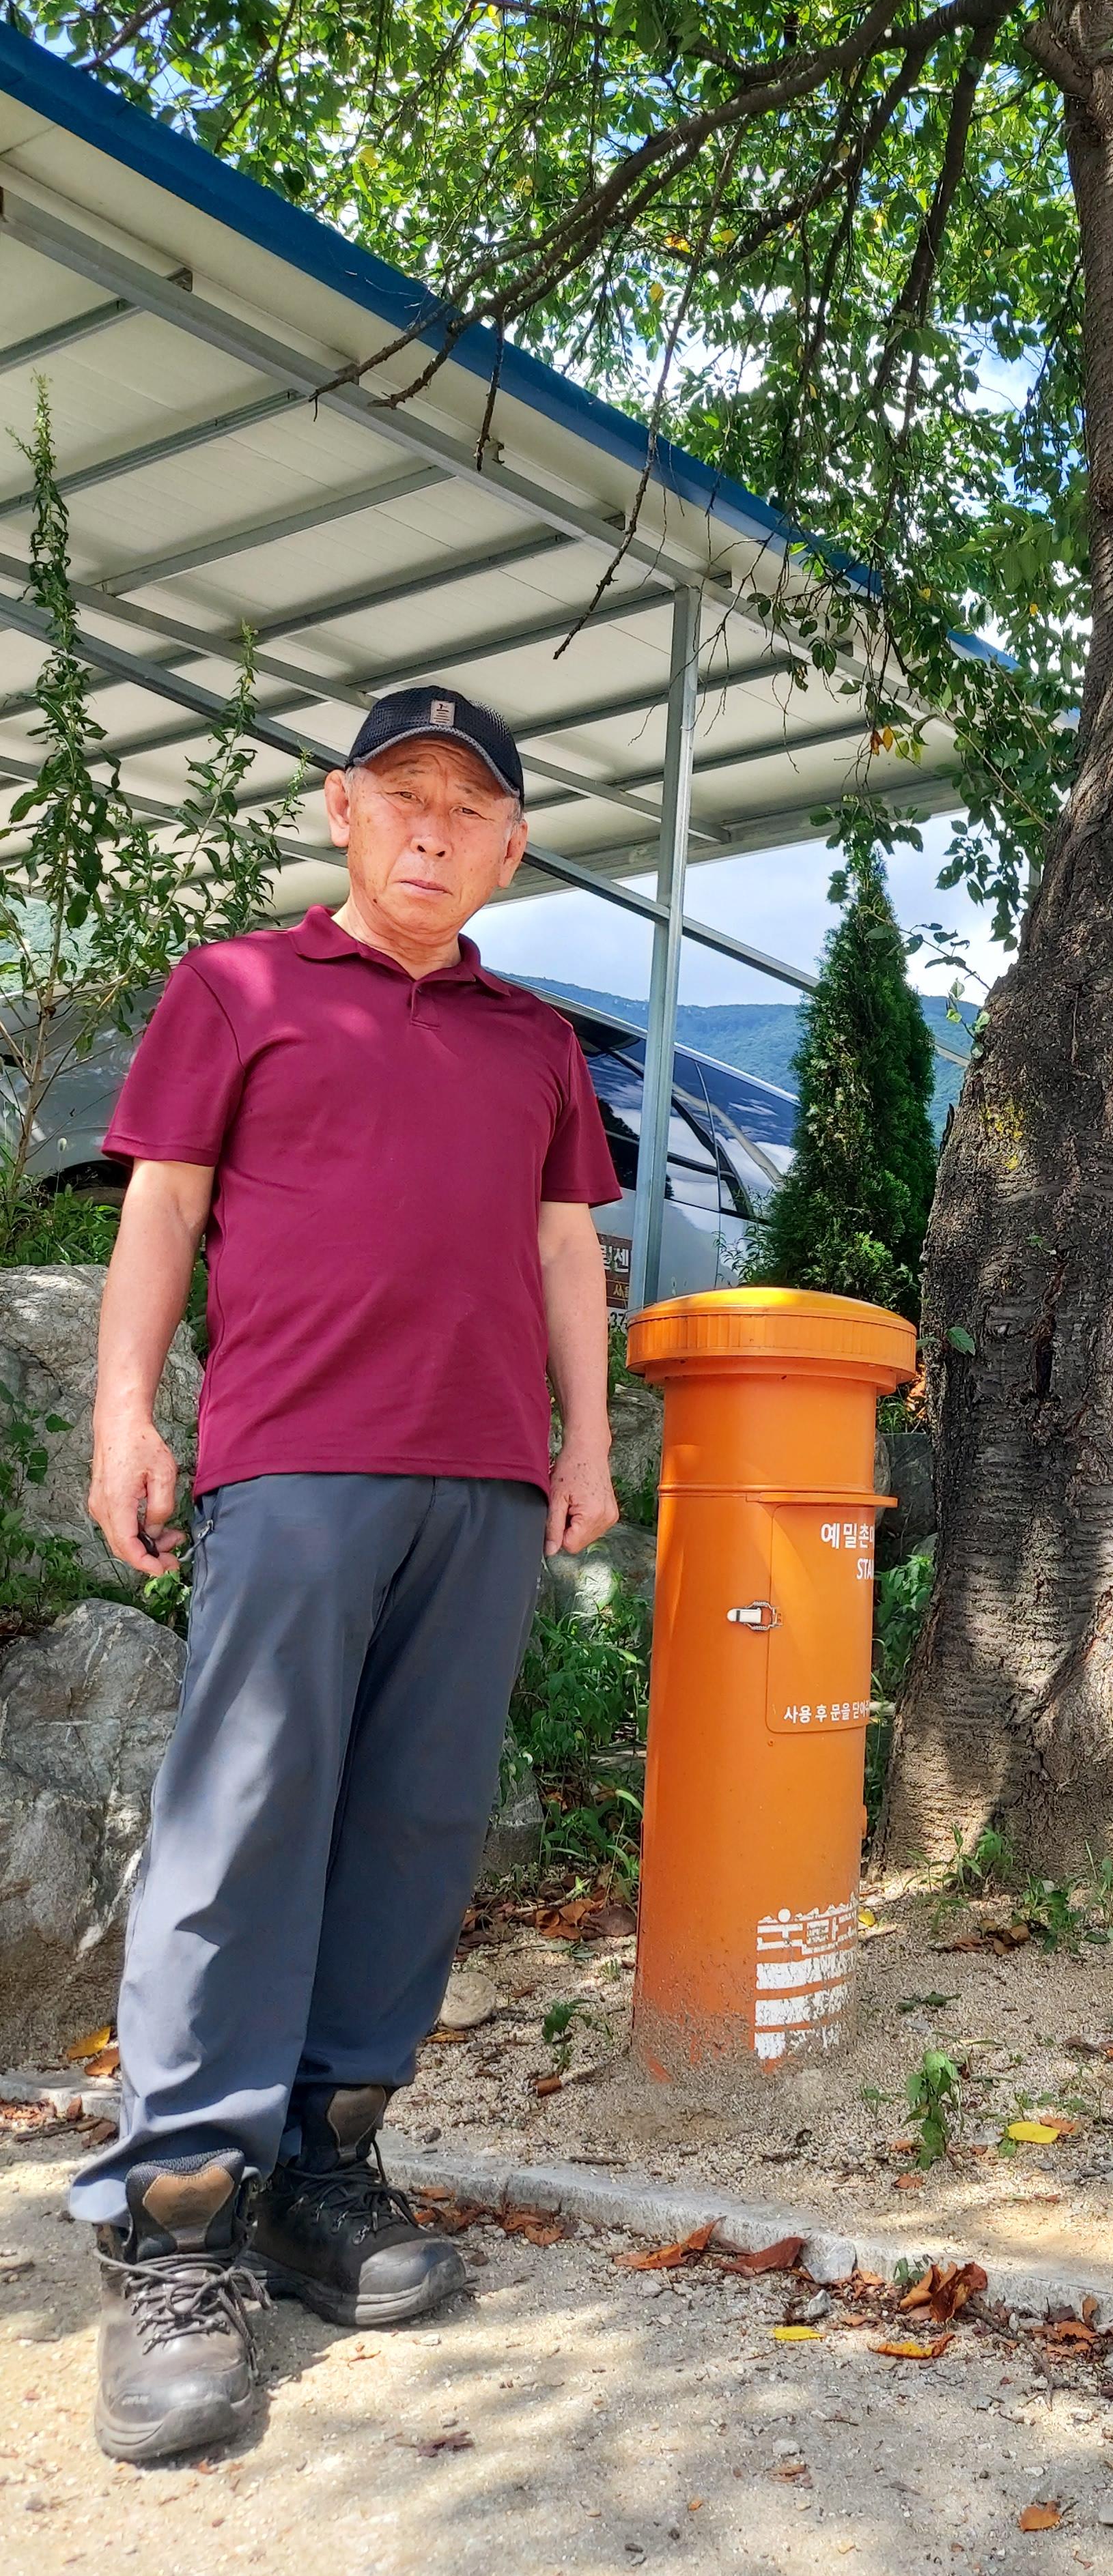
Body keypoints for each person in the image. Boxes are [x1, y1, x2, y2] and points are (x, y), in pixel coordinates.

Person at [73, 687, 623, 2463]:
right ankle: (179, 2232)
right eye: (403, 796)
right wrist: (124, 1417)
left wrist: (587, 1444)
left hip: (485, 1479)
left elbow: (564, 1246)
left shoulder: (537, 1043)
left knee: (414, 1827)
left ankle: (325, 2173)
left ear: (511, 848)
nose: (431, 830)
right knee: (242, 1821)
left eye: (470, 808)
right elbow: (161, 1207)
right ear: (341, 811)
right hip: (295, 1461)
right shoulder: (238, 989)